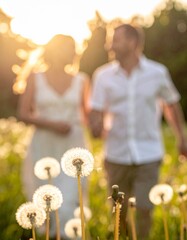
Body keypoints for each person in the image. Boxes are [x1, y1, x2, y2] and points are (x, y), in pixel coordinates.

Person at [89, 23, 187, 239]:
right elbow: (95, 110)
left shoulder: (157, 72)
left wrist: (182, 138)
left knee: (144, 207)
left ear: (133, 42)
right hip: (115, 154)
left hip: (149, 153)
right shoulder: (102, 76)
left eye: (116, 40)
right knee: (118, 213)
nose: (110, 45)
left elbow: (171, 105)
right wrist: (95, 124)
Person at [17, 34, 90, 240]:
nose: (70, 53)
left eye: (72, 49)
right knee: (46, 205)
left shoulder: (82, 80)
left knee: (68, 203)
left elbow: (87, 116)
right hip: (44, 148)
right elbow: (22, 113)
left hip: (73, 147)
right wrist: (52, 124)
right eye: (66, 48)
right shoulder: (35, 77)